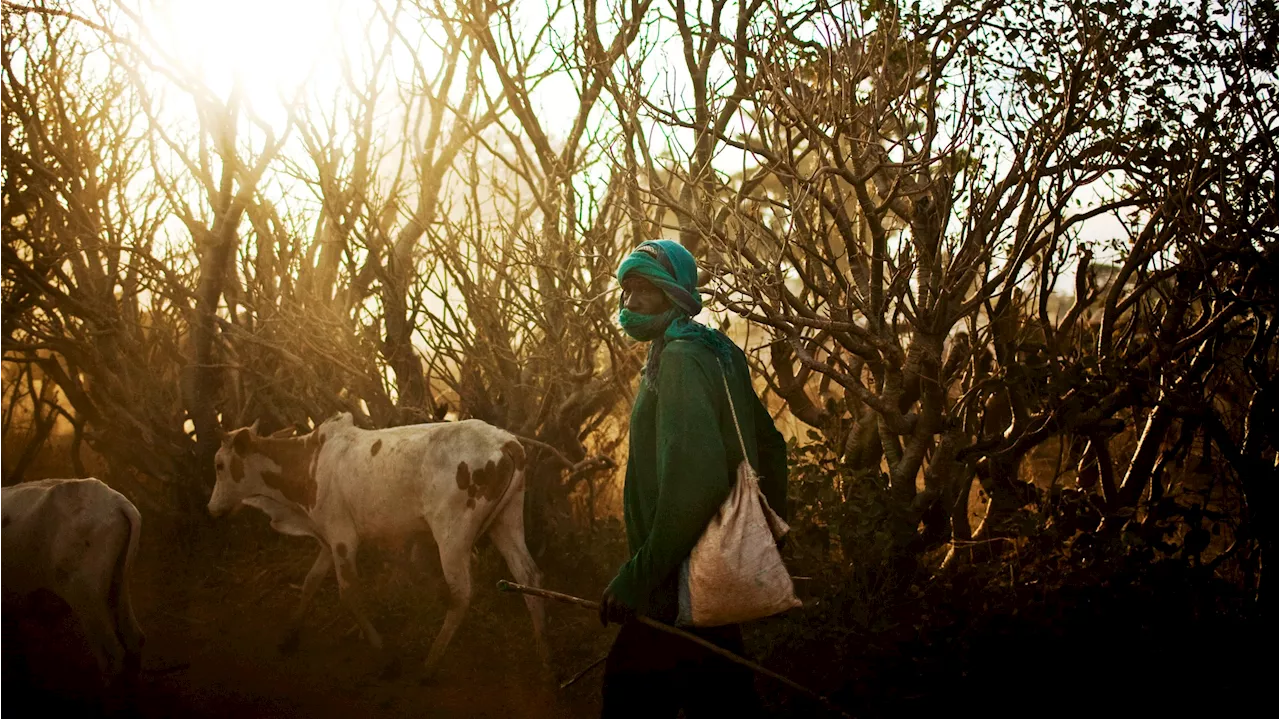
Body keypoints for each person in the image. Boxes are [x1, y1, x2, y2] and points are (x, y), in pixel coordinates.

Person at [598, 239, 789, 718]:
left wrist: (637, 578)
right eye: (625, 291)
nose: (630, 302)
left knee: (628, 699)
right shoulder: (715, 347)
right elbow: (771, 446)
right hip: (712, 560)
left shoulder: (681, 359)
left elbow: (693, 486)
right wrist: (763, 530)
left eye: (644, 289)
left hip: (676, 574)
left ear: (674, 292)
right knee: (725, 701)